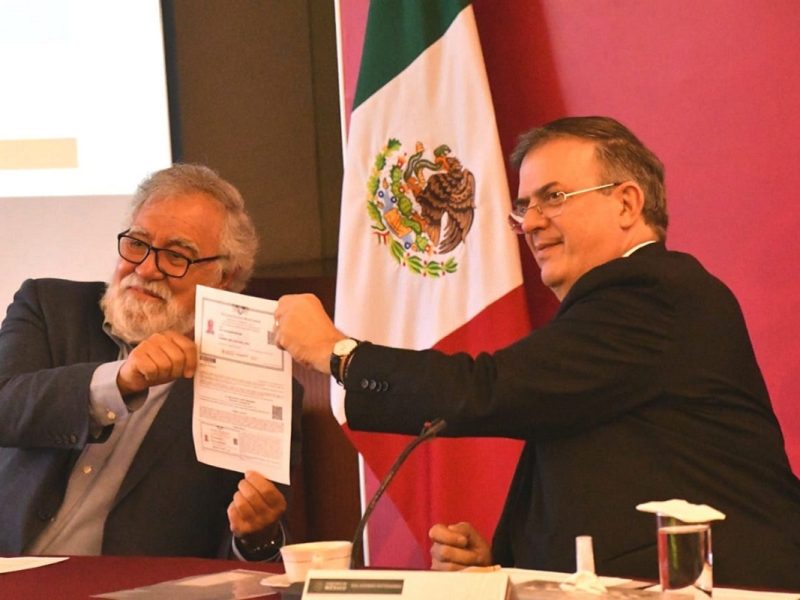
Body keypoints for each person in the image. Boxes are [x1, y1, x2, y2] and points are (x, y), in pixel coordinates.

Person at [274, 116, 800, 588]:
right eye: (524, 206)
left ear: (626, 203)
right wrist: (504, 563)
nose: (531, 222)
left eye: (553, 197)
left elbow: (488, 390)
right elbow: (605, 475)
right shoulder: (618, 307)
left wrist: (338, 354)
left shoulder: (653, 292)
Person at [0, 164, 302, 560]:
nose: (145, 269)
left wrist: (255, 536)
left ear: (225, 277)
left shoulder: (257, 386)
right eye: (137, 244)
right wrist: (118, 382)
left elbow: (240, 561)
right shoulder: (49, 307)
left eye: (176, 256)